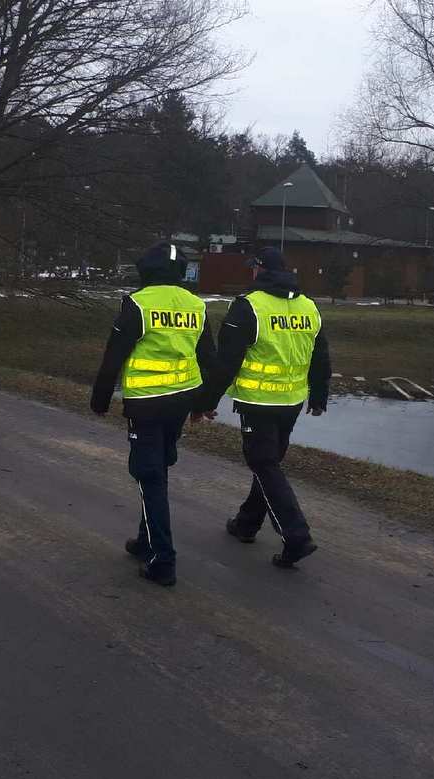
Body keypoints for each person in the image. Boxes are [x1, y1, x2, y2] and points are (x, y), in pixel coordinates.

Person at [194, 247, 331, 569]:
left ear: (258, 270)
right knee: (267, 464)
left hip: (258, 402)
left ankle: (295, 535)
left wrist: (204, 403)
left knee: (264, 464)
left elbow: (226, 363)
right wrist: (319, 396)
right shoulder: (308, 307)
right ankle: (246, 523)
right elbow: (321, 355)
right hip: (291, 402)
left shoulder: (248, 307)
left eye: (252, 268)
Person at [90, 241, 215, 587]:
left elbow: (113, 357)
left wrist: (100, 400)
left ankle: (163, 559)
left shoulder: (137, 304)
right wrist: (203, 403)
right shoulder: (196, 305)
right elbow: (208, 357)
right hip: (181, 400)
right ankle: (146, 540)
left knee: (149, 475)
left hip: (146, 402)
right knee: (158, 469)